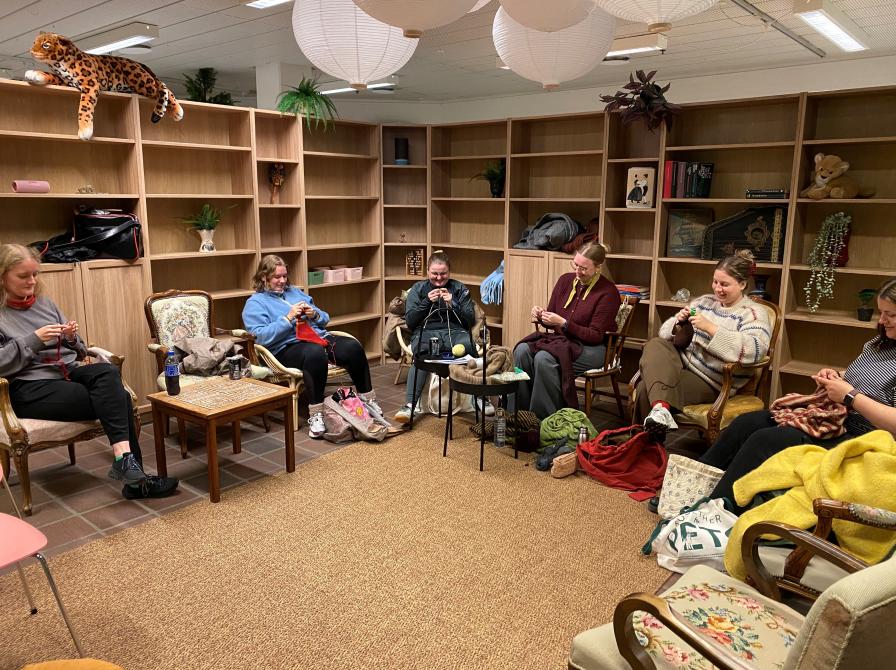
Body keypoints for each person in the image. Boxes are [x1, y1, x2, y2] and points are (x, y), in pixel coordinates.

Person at [697, 278, 896, 513]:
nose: (881, 321)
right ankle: (692, 486)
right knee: (746, 422)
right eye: (881, 313)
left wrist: (850, 396)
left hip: (862, 436)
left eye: (890, 315)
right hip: (834, 418)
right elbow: (865, 376)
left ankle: (714, 509)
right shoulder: (880, 344)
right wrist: (837, 376)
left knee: (766, 440)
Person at [0, 244, 177, 500]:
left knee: (107, 372)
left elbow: (80, 351)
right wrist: (34, 339)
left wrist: (72, 339)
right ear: (3, 276)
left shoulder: (46, 304)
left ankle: (125, 462)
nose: (32, 281)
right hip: (29, 388)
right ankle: (135, 480)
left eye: (35, 274)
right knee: (119, 398)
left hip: (66, 374)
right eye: (23, 276)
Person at [242, 255, 381, 438]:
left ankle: (367, 400)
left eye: (285, 276)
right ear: (263, 277)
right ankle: (316, 413)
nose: (282, 281)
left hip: (318, 338)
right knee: (314, 353)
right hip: (286, 348)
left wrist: (314, 314)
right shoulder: (255, 303)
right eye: (277, 277)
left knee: (352, 347)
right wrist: (288, 319)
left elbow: (325, 318)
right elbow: (260, 337)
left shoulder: (295, 293)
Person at [633, 249, 772, 432]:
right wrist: (677, 323)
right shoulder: (704, 302)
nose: (717, 289)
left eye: (724, 284)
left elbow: (754, 351)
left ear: (742, 284)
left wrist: (710, 328)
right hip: (680, 365)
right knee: (655, 343)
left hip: (712, 381)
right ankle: (660, 411)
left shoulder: (753, 313)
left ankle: (646, 440)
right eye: (715, 282)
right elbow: (665, 333)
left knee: (644, 389)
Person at [513, 241, 620, 420]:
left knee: (544, 358)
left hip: (594, 349)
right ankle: (518, 414)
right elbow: (551, 318)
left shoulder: (608, 293)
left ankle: (545, 418)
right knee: (522, 350)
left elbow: (595, 336)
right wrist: (542, 315)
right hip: (561, 342)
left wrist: (563, 323)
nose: (577, 271)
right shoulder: (565, 280)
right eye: (575, 265)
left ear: (598, 267)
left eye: (583, 268)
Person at [393, 250, 483, 423]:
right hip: (425, 331)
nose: (439, 278)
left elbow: (469, 320)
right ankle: (410, 406)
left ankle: (480, 398)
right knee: (422, 354)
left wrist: (453, 304)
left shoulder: (460, 288)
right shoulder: (418, 289)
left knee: (470, 349)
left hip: (455, 332)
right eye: (435, 273)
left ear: (450, 272)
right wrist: (427, 302)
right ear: (427, 271)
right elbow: (410, 322)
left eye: (443, 274)